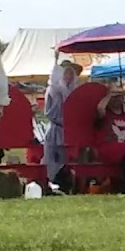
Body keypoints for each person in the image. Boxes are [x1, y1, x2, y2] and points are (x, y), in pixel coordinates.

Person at [93, 87, 125, 193]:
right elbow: (100, 108)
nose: (117, 100)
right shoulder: (105, 115)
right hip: (108, 147)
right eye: (114, 98)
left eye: (119, 97)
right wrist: (109, 95)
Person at [43, 60, 83, 189]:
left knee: (66, 159)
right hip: (56, 130)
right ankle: (51, 182)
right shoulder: (53, 90)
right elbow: (50, 112)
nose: (69, 76)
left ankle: (66, 184)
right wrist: (62, 121)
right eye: (66, 73)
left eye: (71, 73)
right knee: (52, 158)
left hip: (69, 131)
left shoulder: (74, 90)